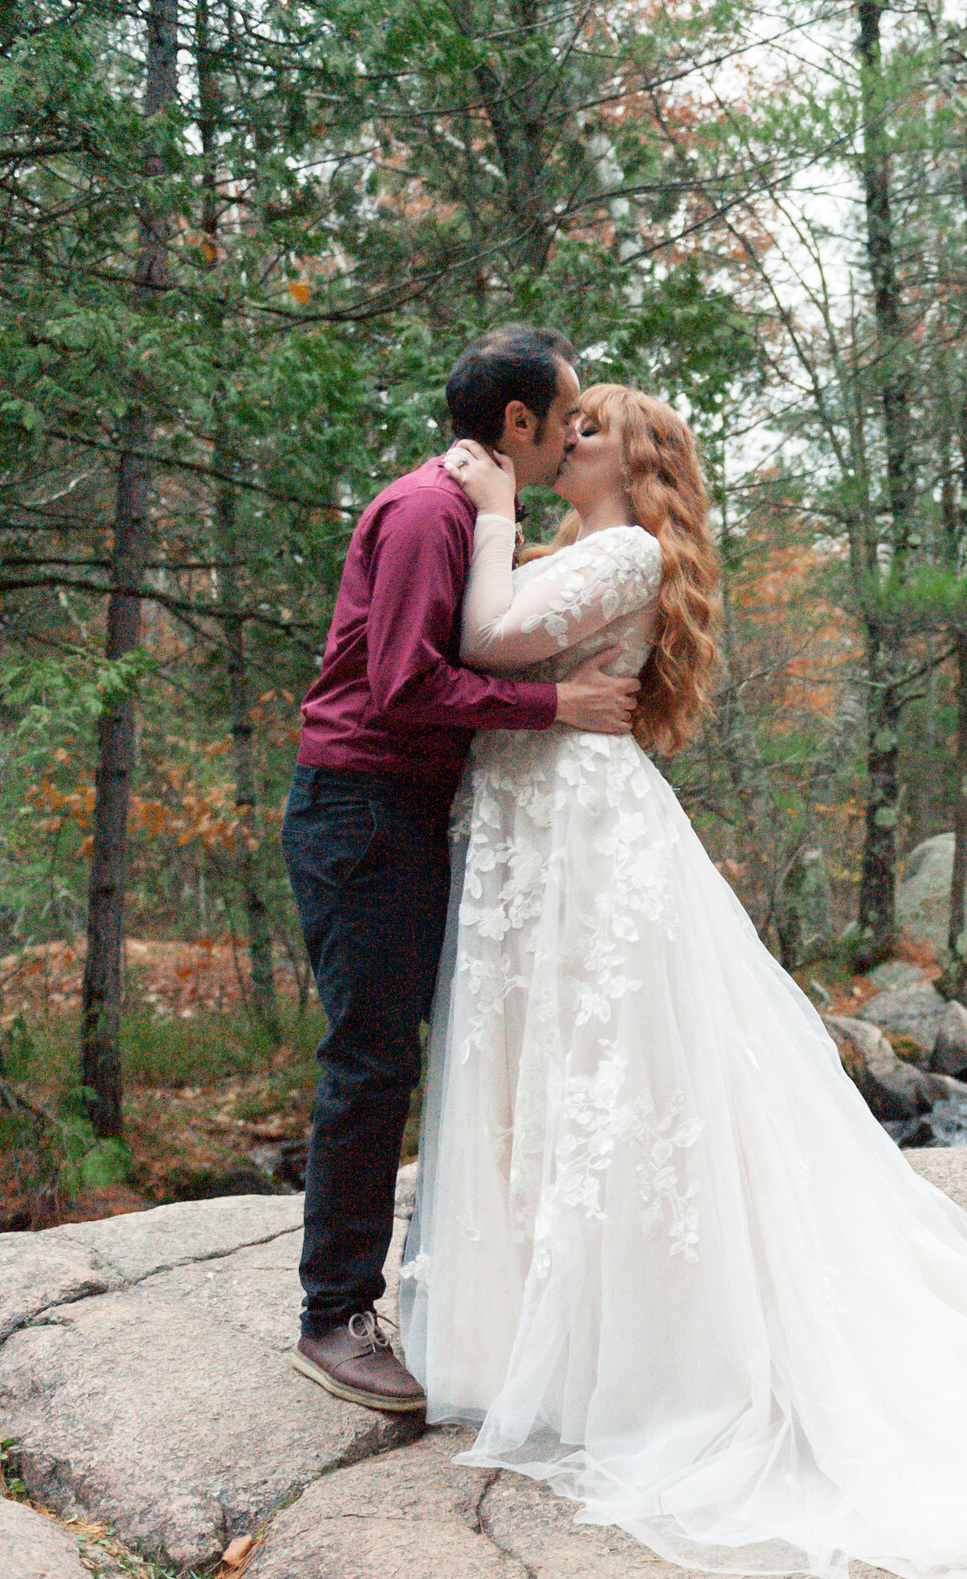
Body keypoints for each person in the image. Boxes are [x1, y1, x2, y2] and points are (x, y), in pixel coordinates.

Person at [401, 383, 967, 1579]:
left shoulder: (626, 551)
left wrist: (486, 509)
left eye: (592, 425)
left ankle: (656, 1360)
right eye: (568, 419)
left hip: (586, 844)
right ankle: (555, 1340)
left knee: (626, 1085)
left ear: (640, 459)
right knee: (550, 1074)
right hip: (529, 839)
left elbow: (487, 640)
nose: (567, 435)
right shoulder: (573, 547)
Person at [283, 324, 642, 1415]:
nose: (578, 430)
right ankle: (332, 1317)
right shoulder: (428, 512)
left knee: (402, 1053)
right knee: (371, 1059)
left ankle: (392, 1299)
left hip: (404, 811)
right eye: (568, 414)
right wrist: (555, 705)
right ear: (517, 421)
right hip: (359, 811)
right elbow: (401, 687)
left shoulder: (478, 517)